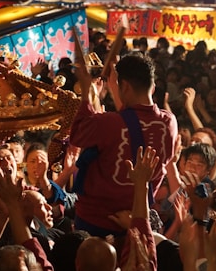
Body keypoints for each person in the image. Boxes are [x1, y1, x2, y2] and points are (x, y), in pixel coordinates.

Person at [71, 53, 178, 237]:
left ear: (125, 86)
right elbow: (134, 119)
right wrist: (115, 85)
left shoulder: (108, 123)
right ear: (152, 86)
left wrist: (87, 96)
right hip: (138, 217)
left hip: (97, 219)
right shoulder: (169, 122)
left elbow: (78, 134)